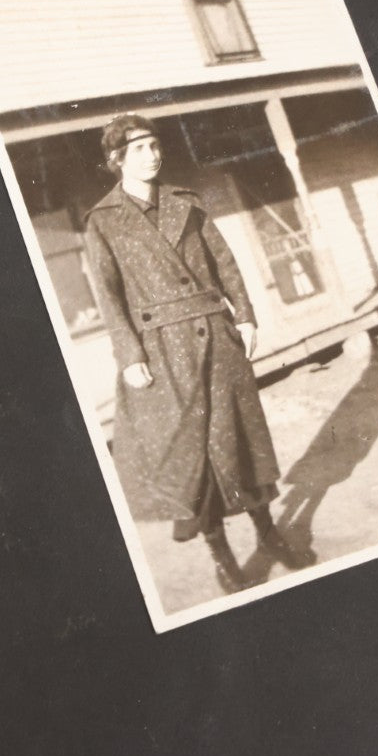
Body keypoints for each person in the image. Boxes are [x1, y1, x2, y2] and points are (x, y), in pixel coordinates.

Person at [81, 113, 314, 593]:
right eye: (140, 147)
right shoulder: (103, 221)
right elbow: (108, 295)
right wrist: (130, 356)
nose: (153, 153)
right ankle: (222, 554)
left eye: (155, 144)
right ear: (116, 160)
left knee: (241, 441)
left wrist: (245, 316)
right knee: (195, 457)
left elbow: (224, 261)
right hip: (162, 351)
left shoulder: (186, 202)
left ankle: (268, 533)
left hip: (215, 334)